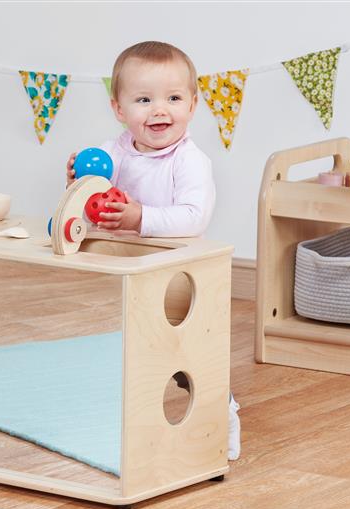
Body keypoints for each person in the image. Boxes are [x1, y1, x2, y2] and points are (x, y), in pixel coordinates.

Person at [66, 40, 240, 460]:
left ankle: (222, 411)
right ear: (119, 109)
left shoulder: (189, 161)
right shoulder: (110, 153)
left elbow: (194, 217)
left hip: (178, 278)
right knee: (121, 354)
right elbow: (92, 205)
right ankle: (126, 425)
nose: (160, 110)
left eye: (173, 99)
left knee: (185, 359)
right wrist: (77, 182)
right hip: (125, 273)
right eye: (144, 100)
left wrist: (139, 217)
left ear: (193, 105)